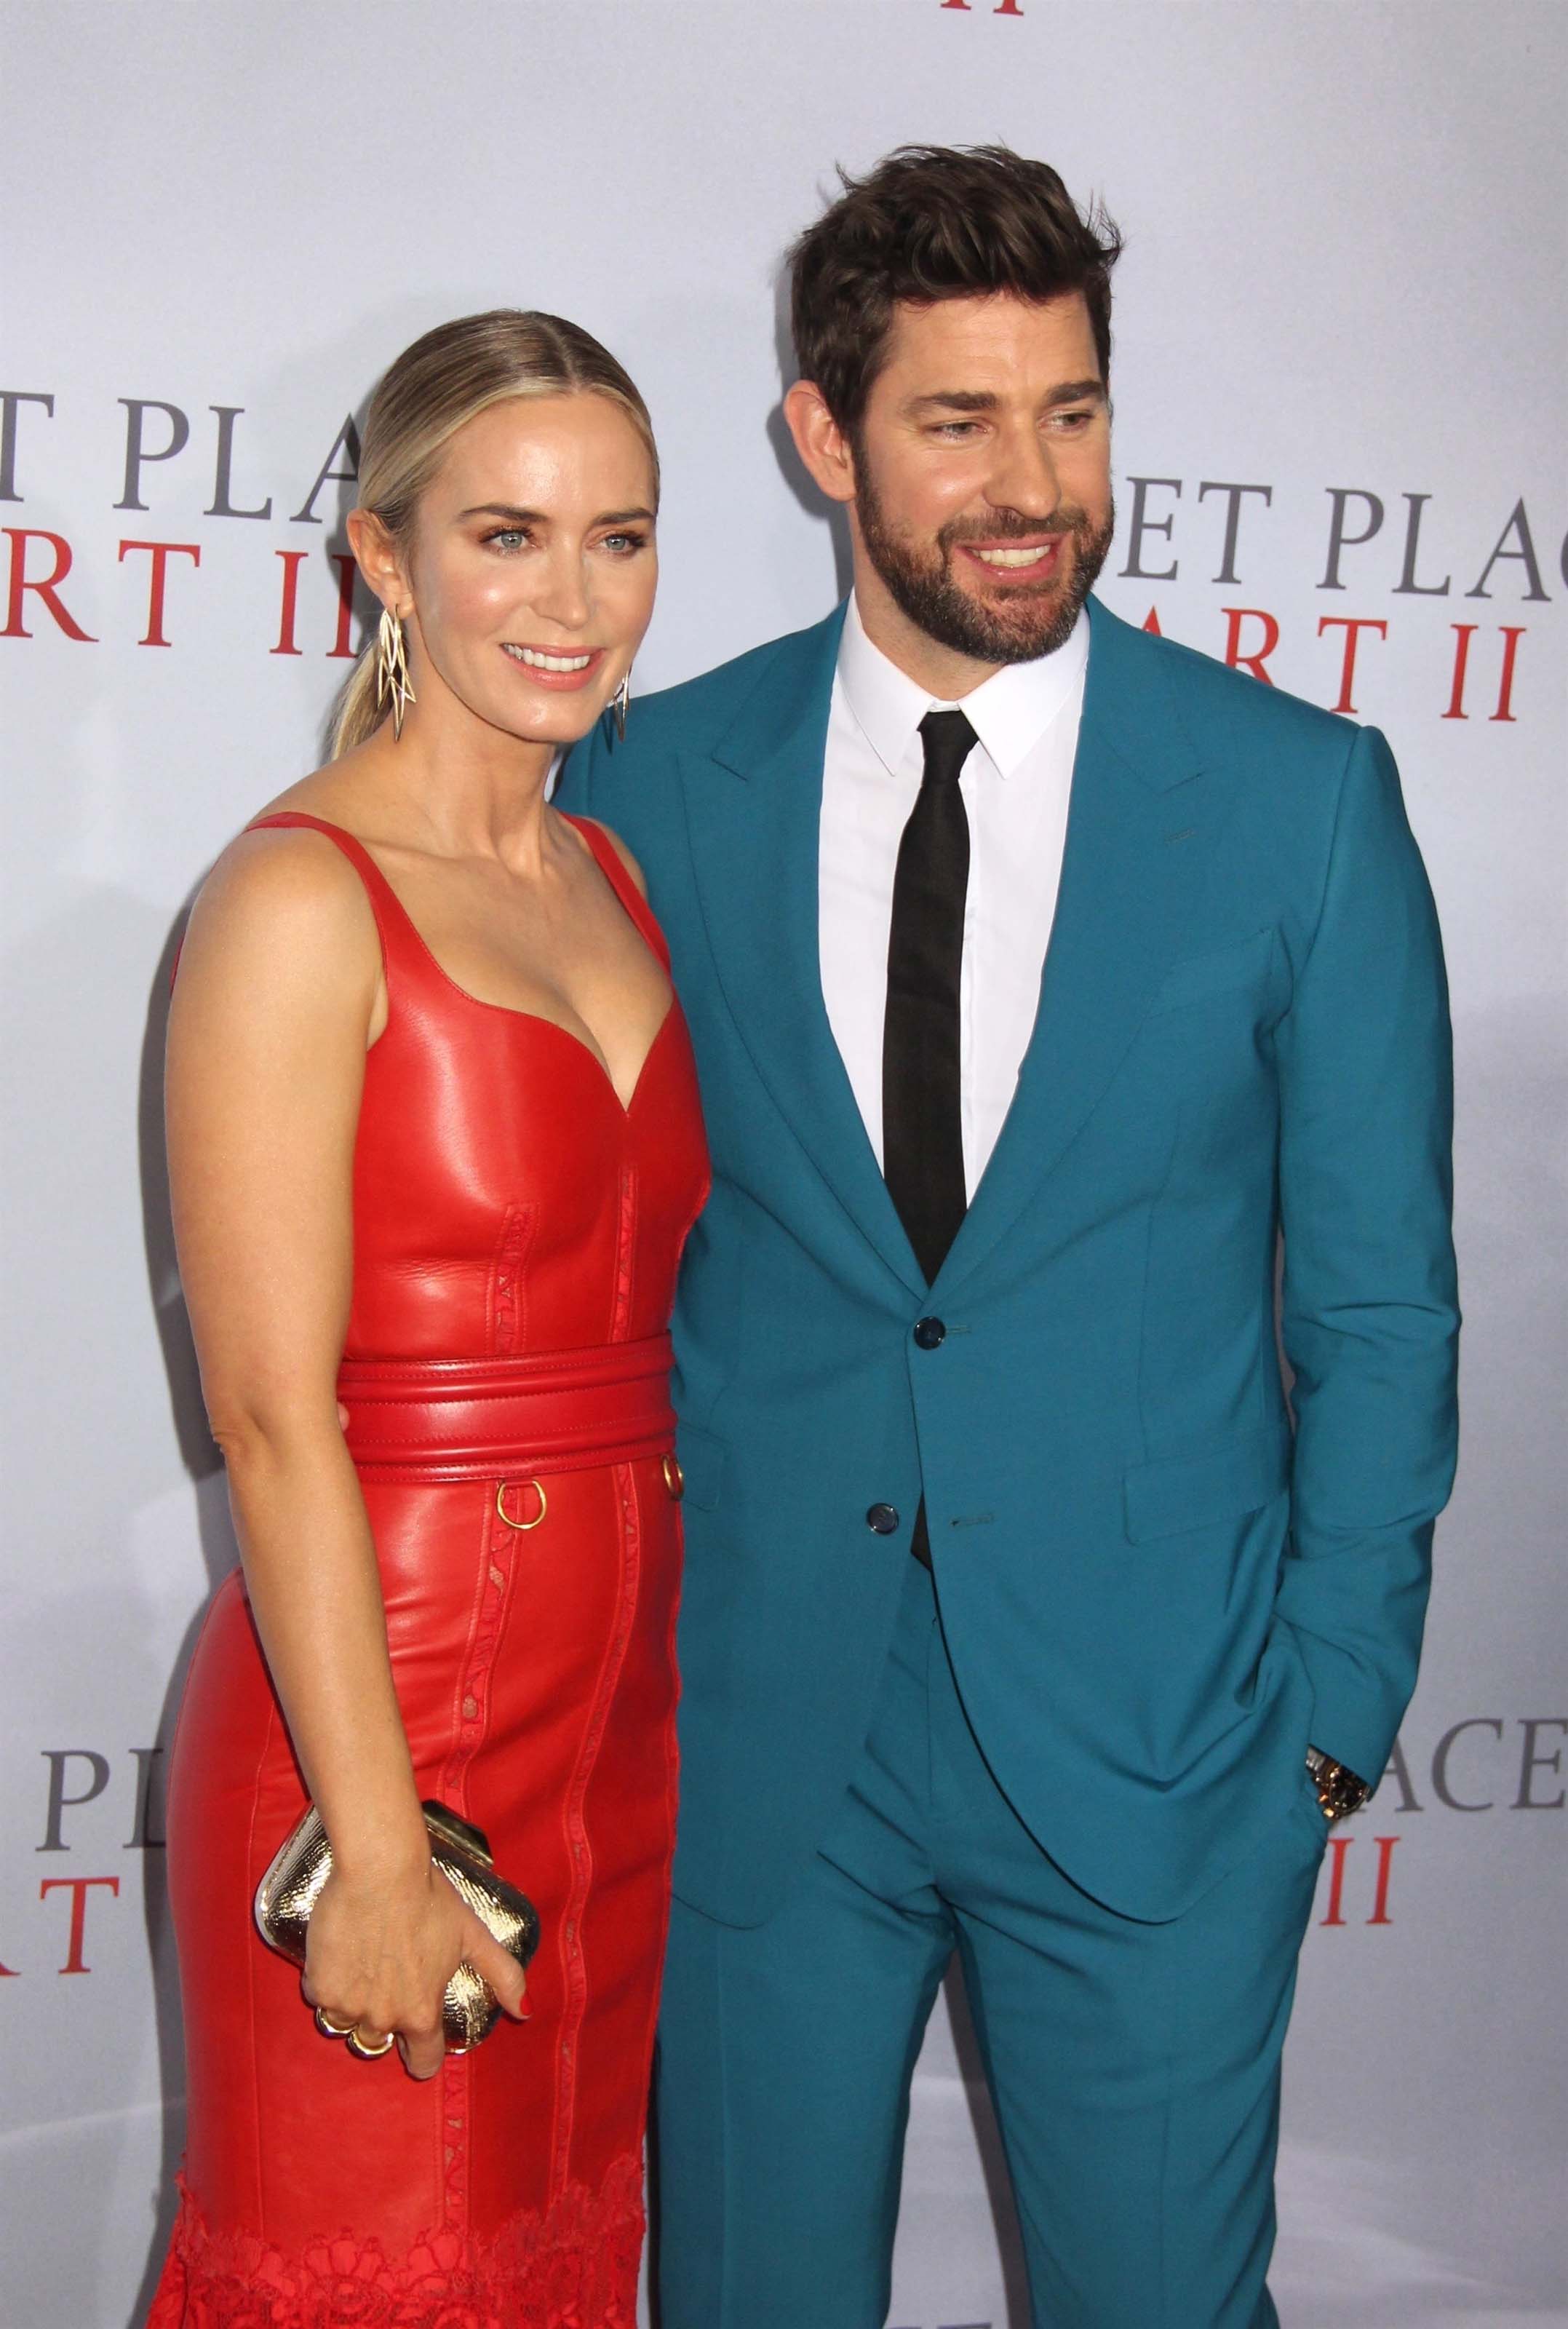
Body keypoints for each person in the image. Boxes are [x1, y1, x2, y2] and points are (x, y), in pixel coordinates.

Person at [555, 146, 1459, 2328]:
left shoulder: (1300, 798)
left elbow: (1378, 1303)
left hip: (1162, 1751)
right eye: (955, 422)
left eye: (1070, 411)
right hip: (766, 1744)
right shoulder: (644, 789)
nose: (1031, 487)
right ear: (823, 436)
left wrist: (1326, 1716)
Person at [149, 309, 708, 2326]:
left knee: (553, 2269)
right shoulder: (296, 900)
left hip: (613, 1726)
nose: (574, 600)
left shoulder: (613, 874)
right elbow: (268, 1415)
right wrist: (374, 1854)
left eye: (618, 539)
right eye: (506, 535)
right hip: (375, 1726)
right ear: (383, 558)